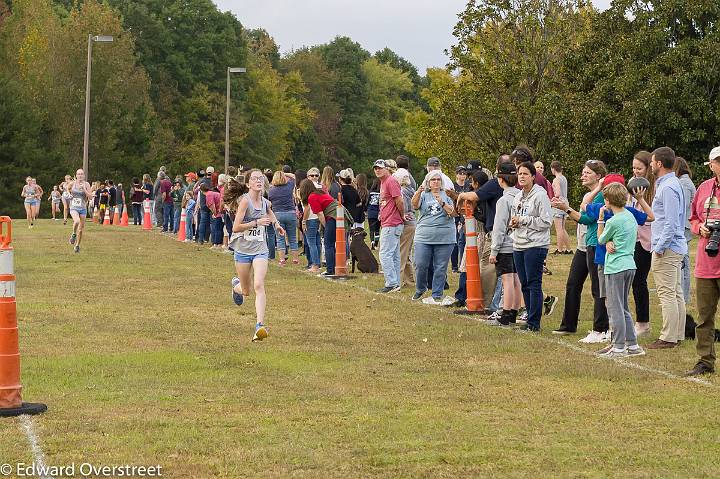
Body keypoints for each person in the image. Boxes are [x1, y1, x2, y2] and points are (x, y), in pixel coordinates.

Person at [552, 160, 610, 343]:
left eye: (587, 173)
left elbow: (586, 219)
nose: (583, 175)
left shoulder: (600, 195)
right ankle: (568, 325)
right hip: (583, 246)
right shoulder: (589, 194)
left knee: (597, 288)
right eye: (583, 172)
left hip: (594, 245)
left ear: (598, 176)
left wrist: (566, 209)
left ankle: (601, 328)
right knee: (572, 284)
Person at [226, 172, 285, 342]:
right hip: (242, 250)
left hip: (260, 249)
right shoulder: (245, 201)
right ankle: (236, 286)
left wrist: (277, 225)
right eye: (254, 179)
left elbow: (270, 213)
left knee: (259, 284)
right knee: (246, 291)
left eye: (261, 179)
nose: (258, 181)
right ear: (248, 184)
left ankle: (260, 325)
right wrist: (256, 223)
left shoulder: (266, 202)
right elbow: (236, 227)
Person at [596, 183, 646, 357]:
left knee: (615, 307)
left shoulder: (612, 220)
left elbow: (601, 239)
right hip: (629, 265)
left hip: (615, 267)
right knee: (623, 306)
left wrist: (601, 218)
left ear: (608, 200)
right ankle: (632, 345)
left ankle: (618, 346)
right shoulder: (630, 217)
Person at [648, 146, 688, 350]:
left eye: (652, 161)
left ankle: (669, 336)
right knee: (675, 291)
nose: (651, 165)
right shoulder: (670, 183)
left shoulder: (668, 187)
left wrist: (660, 247)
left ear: (659, 164)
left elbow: (671, 223)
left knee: (667, 293)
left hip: (668, 247)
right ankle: (677, 333)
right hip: (673, 245)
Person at [686, 146, 720, 376]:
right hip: (706, 262)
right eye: (718, 161)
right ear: (711, 165)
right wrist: (701, 228)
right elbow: (693, 218)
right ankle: (705, 361)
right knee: (704, 316)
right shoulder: (704, 188)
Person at [510, 162, 552, 332]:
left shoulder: (540, 195)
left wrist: (524, 220)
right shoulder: (518, 196)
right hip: (518, 243)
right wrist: (514, 222)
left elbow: (546, 221)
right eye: (520, 173)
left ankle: (534, 323)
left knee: (534, 283)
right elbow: (516, 215)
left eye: (526, 174)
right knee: (524, 283)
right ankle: (529, 318)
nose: (522, 176)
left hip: (536, 244)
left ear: (533, 177)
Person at [410, 170, 457, 304]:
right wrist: (418, 192)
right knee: (420, 264)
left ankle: (437, 293)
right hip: (424, 235)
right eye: (433, 180)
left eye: (438, 179)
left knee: (440, 266)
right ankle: (420, 289)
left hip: (445, 236)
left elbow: (453, 213)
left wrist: (442, 202)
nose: (436, 182)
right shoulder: (423, 194)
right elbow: (414, 205)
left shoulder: (447, 194)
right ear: (428, 182)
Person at [487, 162, 522, 326]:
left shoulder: (504, 200)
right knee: (516, 280)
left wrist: (494, 250)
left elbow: (499, 227)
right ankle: (514, 311)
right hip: (520, 243)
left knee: (507, 279)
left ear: (501, 180)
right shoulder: (521, 196)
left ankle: (506, 314)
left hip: (506, 245)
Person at [629, 151, 656, 336]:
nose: (636, 172)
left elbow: (650, 217)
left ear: (648, 168)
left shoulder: (652, 189)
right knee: (635, 281)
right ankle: (640, 321)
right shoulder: (633, 185)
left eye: (639, 168)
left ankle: (643, 323)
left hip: (647, 240)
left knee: (639, 280)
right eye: (633, 168)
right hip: (634, 239)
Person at [374, 159, 405, 293]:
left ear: (387, 169)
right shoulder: (384, 182)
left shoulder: (390, 181)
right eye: (375, 168)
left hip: (392, 223)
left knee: (384, 254)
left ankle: (391, 283)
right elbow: (388, 201)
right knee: (393, 255)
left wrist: (401, 215)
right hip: (390, 222)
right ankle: (396, 283)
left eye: (380, 168)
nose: (377, 170)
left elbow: (399, 200)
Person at [300, 179, 340, 276]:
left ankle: (329, 269)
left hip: (331, 216)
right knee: (325, 243)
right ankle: (332, 267)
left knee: (327, 244)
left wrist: (326, 227)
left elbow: (320, 214)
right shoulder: (318, 193)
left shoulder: (312, 197)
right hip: (336, 215)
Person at [674, 157, 696, 308]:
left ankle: (683, 295)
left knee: (683, 262)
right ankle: (682, 294)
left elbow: (683, 209)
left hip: (684, 227)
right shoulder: (684, 182)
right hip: (685, 227)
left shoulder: (684, 184)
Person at [393, 168, 417, 288]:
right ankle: (409, 281)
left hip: (407, 223)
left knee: (401, 253)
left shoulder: (402, 190)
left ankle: (398, 280)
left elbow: (405, 208)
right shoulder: (411, 189)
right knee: (406, 253)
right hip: (412, 223)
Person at [268, 171, 298, 265]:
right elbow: (294, 177)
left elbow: (270, 202)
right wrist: (285, 173)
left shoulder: (271, 190)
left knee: (280, 238)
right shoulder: (289, 186)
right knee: (292, 237)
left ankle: (282, 259)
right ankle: (295, 259)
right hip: (290, 213)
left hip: (278, 214)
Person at [66, 169, 93, 253]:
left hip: (83, 208)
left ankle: (77, 245)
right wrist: (69, 194)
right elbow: (67, 188)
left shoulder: (87, 184)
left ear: (84, 176)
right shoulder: (72, 183)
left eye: (82, 174)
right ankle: (73, 234)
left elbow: (91, 197)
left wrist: (84, 189)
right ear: (76, 175)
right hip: (74, 207)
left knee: (81, 229)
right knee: (76, 221)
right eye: (79, 174)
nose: (80, 175)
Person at [299, 179, 323, 274]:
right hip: (316, 219)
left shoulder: (307, 198)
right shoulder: (315, 195)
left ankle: (315, 265)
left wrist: (304, 221)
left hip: (310, 220)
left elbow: (307, 209)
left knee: (311, 243)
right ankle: (317, 263)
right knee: (317, 243)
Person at [550, 161, 571, 254]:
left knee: (558, 229)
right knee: (563, 228)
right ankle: (569, 249)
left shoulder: (556, 179)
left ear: (553, 169)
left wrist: (553, 199)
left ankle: (559, 249)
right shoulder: (564, 178)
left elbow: (557, 193)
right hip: (565, 203)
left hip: (558, 204)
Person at [367, 179, 381, 249]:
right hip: (378, 213)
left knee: (371, 229)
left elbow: (367, 203)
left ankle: (372, 242)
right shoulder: (381, 192)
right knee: (377, 230)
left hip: (370, 213)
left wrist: (366, 210)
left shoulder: (370, 193)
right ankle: (376, 244)